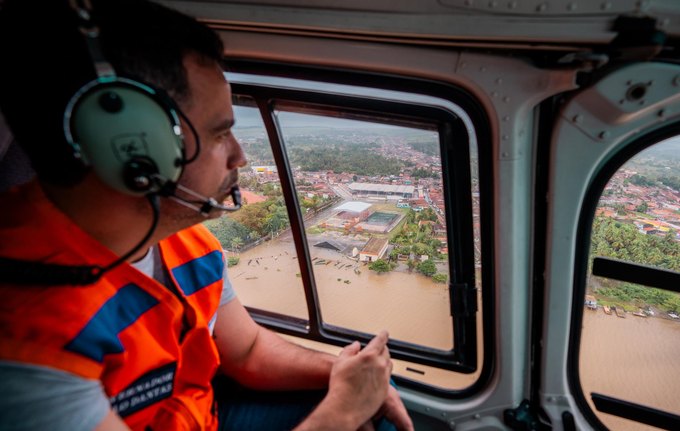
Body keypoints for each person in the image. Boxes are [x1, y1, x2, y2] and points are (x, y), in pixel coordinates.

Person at [0, 0, 413, 430]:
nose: (240, 156)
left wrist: (347, 376)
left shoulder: (185, 241)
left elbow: (248, 350)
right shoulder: (26, 335)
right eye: (220, 133)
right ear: (131, 150)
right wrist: (343, 410)